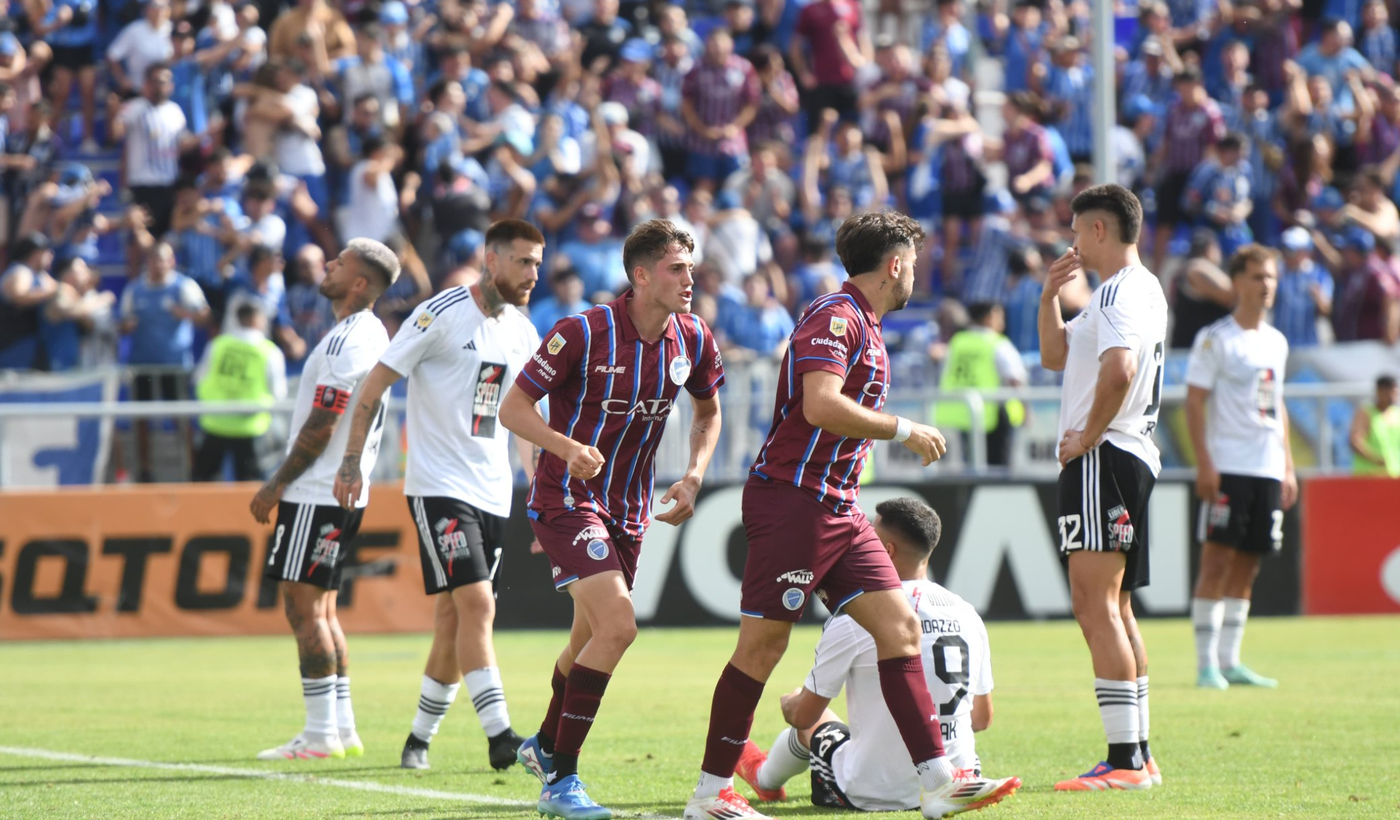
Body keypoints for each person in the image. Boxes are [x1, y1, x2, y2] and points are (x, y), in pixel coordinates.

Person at [685, 211, 1019, 820]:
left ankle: (938, 784)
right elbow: (820, 405)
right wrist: (904, 428)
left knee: (900, 630)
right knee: (762, 647)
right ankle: (710, 795)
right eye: (912, 264)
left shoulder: (863, 322)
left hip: (837, 505)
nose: (915, 274)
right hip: (794, 498)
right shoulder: (835, 316)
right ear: (894, 265)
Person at [500, 219, 725, 820]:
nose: (689, 278)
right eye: (677, 268)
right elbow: (513, 408)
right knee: (619, 627)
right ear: (641, 274)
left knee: (588, 637)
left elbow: (709, 412)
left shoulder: (694, 339)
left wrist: (695, 473)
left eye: (691, 267)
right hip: (567, 497)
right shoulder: (582, 331)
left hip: (629, 508)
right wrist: (564, 446)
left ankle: (545, 743)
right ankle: (561, 781)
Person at [331, 220, 545, 772]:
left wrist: (541, 500)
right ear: (491, 261)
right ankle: (501, 735)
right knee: (479, 604)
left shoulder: (522, 332)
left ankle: (417, 741)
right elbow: (375, 383)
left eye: (538, 263)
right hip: (438, 487)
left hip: (494, 492)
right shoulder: (441, 313)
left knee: (455, 618)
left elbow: (525, 422)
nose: (533, 274)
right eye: (523, 262)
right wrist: (352, 461)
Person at [735, 498, 1000, 812]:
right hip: (961, 775)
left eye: (866, 538)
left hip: (876, 791)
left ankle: (763, 778)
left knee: (810, 714)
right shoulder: (967, 613)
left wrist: (789, 703)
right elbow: (981, 719)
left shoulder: (856, 616)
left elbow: (803, 715)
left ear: (885, 551)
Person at [248, 239, 399, 761]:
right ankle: (340, 726)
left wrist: (276, 483)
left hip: (317, 492)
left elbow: (321, 423)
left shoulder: (347, 341)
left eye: (339, 264)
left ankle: (318, 735)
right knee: (325, 611)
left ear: (359, 283)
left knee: (303, 610)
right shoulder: (368, 333)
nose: (328, 267)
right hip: (340, 491)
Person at [1038, 184, 1167, 792]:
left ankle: (1122, 761)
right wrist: (1048, 296)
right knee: (1116, 605)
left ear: (1097, 231)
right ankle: (1138, 754)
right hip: (1131, 454)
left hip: (1106, 455)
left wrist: (1087, 435)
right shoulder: (1139, 289)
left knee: (1094, 604)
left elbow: (1119, 370)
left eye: (1076, 229)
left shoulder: (1117, 290)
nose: (1072, 242)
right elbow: (1055, 355)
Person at [1185, 244, 1295, 691]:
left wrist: (1287, 464)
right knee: (1216, 558)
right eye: (1256, 277)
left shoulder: (1277, 341)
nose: (1266, 285)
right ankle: (1205, 664)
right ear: (1237, 283)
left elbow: (1276, 405)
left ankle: (1231, 661)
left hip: (1267, 467)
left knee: (1249, 562)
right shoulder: (1216, 339)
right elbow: (1195, 401)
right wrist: (1205, 463)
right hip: (1228, 464)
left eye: (1270, 277)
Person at [193, 302, 287, 481]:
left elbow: (199, 379)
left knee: (203, 483)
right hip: (250, 426)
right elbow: (278, 393)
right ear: (257, 320)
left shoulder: (218, 344)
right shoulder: (269, 351)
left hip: (215, 422)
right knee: (247, 488)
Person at [933, 302, 1027, 467]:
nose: (1002, 322)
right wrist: (1026, 408)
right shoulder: (997, 343)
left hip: (964, 413)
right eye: (1000, 316)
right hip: (993, 416)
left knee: (971, 466)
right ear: (990, 317)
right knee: (998, 470)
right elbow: (1015, 379)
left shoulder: (958, 342)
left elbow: (944, 372)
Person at [1350, 375, 1400, 476]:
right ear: (1378, 391)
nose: (1391, 397)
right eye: (1388, 392)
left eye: (1394, 393)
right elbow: (1355, 441)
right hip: (1369, 475)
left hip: (1394, 475)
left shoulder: (1396, 414)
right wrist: (1376, 459)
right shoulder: (1366, 413)